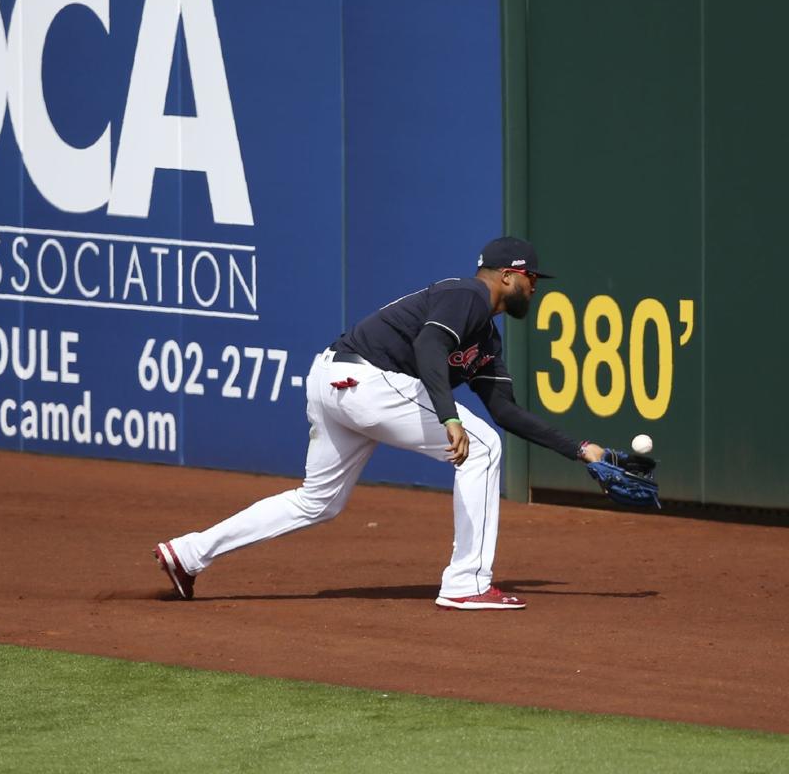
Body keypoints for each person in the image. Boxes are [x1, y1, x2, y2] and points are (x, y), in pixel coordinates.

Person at [154, 236, 606, 610]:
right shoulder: (467, 295)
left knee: (318, 502)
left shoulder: (485, 335)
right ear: (507, 275)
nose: (534, 287)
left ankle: (189, 553)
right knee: (482, 448)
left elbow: (506, 411)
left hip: (336, 379)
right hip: (366, 378)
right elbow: (430, 345)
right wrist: (449, 416)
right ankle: (466, 582)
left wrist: (581, 450)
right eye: (530, 279)